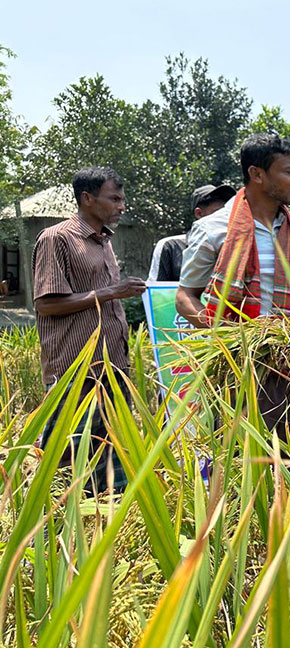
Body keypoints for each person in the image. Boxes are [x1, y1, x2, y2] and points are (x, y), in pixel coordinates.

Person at [175, 133, 290, 447]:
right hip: (237, 363)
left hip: (289, 362)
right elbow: (186, 296)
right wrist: (220, 333)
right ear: (257, 174)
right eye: (288, 172)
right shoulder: (213, 229)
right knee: (239, 455)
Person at [32, 166, 147, 493]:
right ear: (87, 198)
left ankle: (105, 529)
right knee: (68, 463)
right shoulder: (57, 238)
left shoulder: (104, 243)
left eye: (122, 199)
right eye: (114, 199)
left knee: (110, 463)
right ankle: (54, 530)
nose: (121, 206)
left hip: (112, 370)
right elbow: (46, 305)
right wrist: (114, 291)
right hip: (76, 374)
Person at [148, 184, 235, 281]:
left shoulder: (236, 248)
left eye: (228, 213)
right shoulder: (170, 247)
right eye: (219, 213)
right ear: (199, 213)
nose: (225, 217)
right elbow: (156, 291)